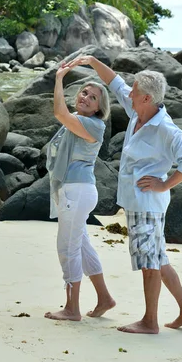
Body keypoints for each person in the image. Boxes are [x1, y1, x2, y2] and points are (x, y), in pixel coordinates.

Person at [62, 55, 182, 334]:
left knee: (149, 263)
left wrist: (164, 184)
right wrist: (91, 61)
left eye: (135, 91)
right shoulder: (139, 110)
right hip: (138, 201)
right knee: (159, 259)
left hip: (147, 203)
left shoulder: (165, 128)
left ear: (147, 98)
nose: (130, 93)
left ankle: (150, 321)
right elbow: (113, 83)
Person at [44, 65, 115, 322]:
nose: (85, 97)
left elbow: (58, 111)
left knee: (67, 248)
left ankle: (71, 308)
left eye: (92, 97)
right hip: (74, 191)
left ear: (98, 108)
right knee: (81, 247)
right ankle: (105, 298)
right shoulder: (79, 120)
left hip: (78, 191)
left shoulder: (93, 125)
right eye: (84, 92)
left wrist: (59, 78)